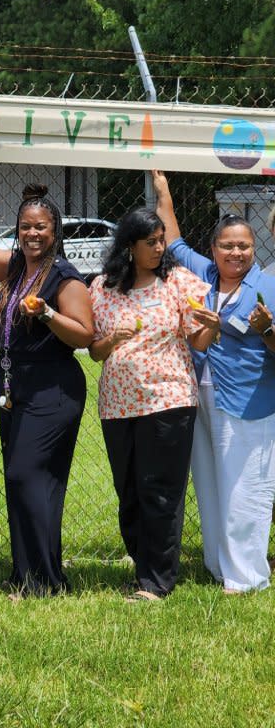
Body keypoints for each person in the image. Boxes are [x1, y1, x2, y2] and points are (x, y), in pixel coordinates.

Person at [0, 158, 94, 598]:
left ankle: (44, 578)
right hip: (14, 389)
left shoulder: (64, 277)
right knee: (22, 480)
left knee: (29, 476)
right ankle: (29, 574)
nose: (32, 234)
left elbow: (85, 333)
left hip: (54, 389)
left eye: (41, 227)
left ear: (54, 230)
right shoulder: (14, 268)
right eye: (26, 226)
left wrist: (46, 313)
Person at [155, 170, 275, 594]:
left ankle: (248, 577)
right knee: (208, 482)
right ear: (214, 249)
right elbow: (173, 241)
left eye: (243, 245)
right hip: (200, 396)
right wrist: (163, 188)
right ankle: (219, 565)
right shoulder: (204, 275)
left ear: (254, 248)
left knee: (245, 488)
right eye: (227, 245)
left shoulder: (268, 287)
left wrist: (267, 329)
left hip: (248, 402)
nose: (235, 252)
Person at [89, 206, 212, 601]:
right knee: (129, 493)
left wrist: (210, 329)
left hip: (169, 400)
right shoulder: (103, 289)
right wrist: (111, 341)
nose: (160, 247)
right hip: (118, 405)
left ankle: (156, 582)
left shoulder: (177, 282)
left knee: (160, 492)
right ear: (129, 247)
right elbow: (94, 351)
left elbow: (197, 341)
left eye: (161, 240)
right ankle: (143, 566)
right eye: (150, 242)